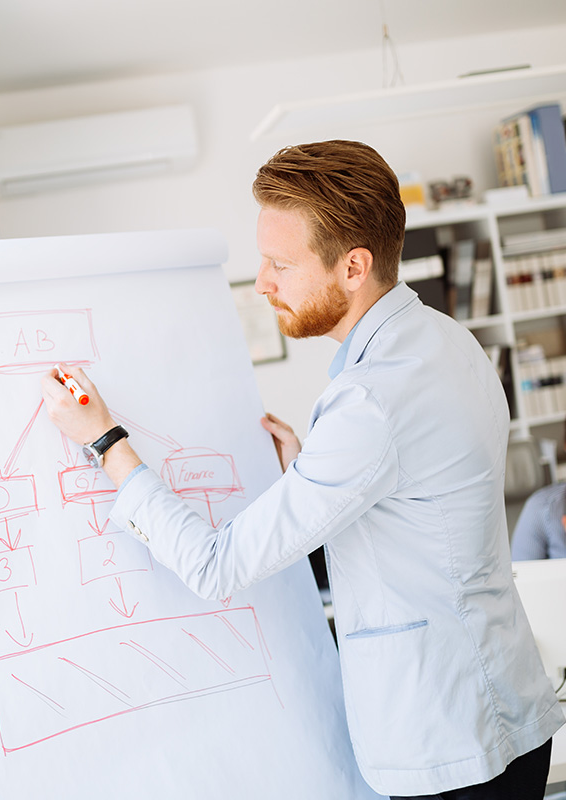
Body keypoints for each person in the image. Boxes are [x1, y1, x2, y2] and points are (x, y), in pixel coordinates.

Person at [41, 140, 564, 800]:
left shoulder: (371, 401)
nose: (262, 282)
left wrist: (105, 440)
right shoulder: (445, 340)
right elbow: (423, 507)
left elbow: (214, 566)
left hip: (449, 744)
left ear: (354, 267)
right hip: (505, 713)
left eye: (280, 264)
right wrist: (306, 468)